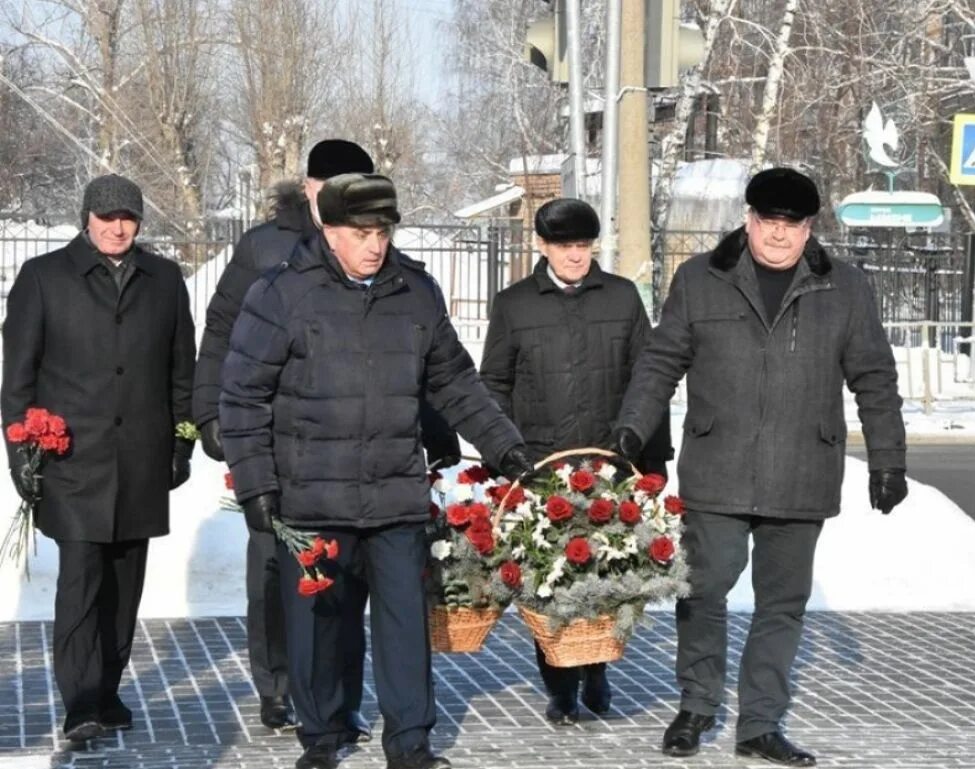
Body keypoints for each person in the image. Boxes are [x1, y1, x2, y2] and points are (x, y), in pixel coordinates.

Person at [219, 172, 532, 769]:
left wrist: (504, 445)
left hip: (393, 492)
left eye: (383, 231)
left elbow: (454, 382)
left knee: (403, 624)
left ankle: (410, 740)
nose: (374, 244)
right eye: (361, 232)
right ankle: (322, 735)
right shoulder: (282, 294)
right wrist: (258, 484)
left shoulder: (414, 292)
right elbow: (242, 397)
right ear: (329, 230)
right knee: (317, 626)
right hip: (311, 497)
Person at [611, 167, 909, 767]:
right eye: (768, 221)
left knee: (783, 603)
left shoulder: (845, 287)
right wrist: (630, 431)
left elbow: (874, 376)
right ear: (748, 220)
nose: (778, 234)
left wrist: (888, 459)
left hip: (804, 467)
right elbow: (660, 362)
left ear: (808, 228)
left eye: (790, 224)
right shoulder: (701, 279)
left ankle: (760, 724)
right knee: (704, 588)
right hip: (718, 465)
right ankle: (696, 706)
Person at [192, 139, 461, 733]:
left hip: (377, 470)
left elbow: (410, 361)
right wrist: (214, 423)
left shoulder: (378, 253)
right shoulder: (266, 250)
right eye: (331, 183)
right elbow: (223, 336)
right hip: (293, 463)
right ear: (309, 188)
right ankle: (283, 689)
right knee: (283, 582)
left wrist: (444, 432)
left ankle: (342, 707)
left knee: (354, 599)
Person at [2, 174, 195, 743]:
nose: (117, 227)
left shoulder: (163, 280)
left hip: (140, 458)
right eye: (107, 216)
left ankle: (108, 689)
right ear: (86, 217)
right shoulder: (44, 279)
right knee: (82, 578)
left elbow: (182, 371)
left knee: (125, 580)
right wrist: (23, 454)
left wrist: (181, 442)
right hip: (70, 460)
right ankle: (81, 699)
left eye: (128, 218)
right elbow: (18, 381)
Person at [479, 198, 673, 725]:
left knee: (607, 569)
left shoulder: (621, 297)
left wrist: (655, 457)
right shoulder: (515, 304)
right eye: (564, 247)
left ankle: (597, 666)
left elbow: (649, 378)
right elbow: (493, 382)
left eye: (583, 246)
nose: (574, 256)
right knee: (550, 580)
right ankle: (559, 681)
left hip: (611, 462)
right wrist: (506, 452)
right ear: (542, 246)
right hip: (539, 467)